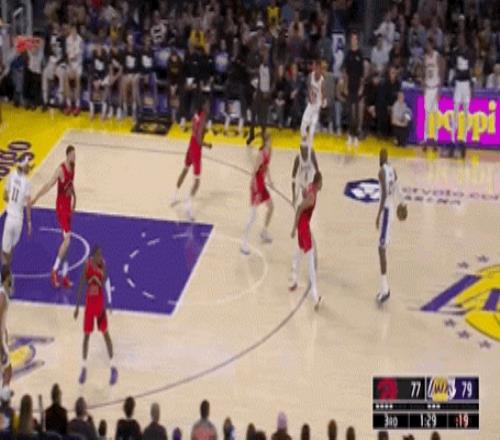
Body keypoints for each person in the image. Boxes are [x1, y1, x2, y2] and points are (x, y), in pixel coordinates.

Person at [31, 145, 76, 289]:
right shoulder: (60, 170)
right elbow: (48, 185)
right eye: (73, 155)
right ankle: (54, 270)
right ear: (67, 155)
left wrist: (74, 198)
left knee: (66, 244)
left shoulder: (73, 167)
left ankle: (65, 275)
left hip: (68, 208)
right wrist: (36, 198)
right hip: (61, 208)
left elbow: (70, 185)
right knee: (67, 240)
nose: (74, 157)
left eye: (75, 155)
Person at [74, 245, 117, 385]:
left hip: (99, 305)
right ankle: (83, 367)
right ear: (93, 256)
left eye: (101, 254)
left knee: (105, 334)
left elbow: (105, 282)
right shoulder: (87, 265)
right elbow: (81, 284)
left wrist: (109, 302)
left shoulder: (102, 265)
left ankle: (113, 367)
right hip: (89, 306)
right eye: (98, 255)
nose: (100, 257)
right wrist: (77, 307)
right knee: (86, 336)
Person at [171, 99, 212, 221]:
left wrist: (202, 131)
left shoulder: (195, 114)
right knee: (197, 181)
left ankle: (174, 196)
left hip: (190, 144)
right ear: (203, 106)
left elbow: (195, 130)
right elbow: (199, 139)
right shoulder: (203, 117)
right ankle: (188, 205)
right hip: (196, 148)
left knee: (185, 170)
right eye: (207, 104)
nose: (209, 106)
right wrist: (207, 145)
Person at [289, 171, 323, 310]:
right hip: (303, 227)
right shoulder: (312, 197)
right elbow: (299, 208)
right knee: (310, 260)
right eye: (321, 182)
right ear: (318, 182)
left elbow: (304, 191)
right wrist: (294, 227)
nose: (322, 185)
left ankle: (294, 280)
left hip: (302, 226)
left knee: (299, 252)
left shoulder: (310, 187)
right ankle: (315, 297)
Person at [241, 133, 274, 255]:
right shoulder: (260, 154)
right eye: (270, 140)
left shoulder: (270, 151)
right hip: (256, 185)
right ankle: (243, 243)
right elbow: (254, 171)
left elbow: (266, 167)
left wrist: (270, 180)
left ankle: (264, 232)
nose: (271, 142)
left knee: (271, 207)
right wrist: (254, 186)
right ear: (265, 141)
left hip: (262, 184)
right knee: (253, 216)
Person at [375, 148, 401, 304]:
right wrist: (402, 203)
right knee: (382, 248)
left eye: (380, 156)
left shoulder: (381, 172)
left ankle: (385, 289)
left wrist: (378, 215)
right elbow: (397, 186)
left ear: (381, 158)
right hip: (391, 210)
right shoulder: (393, 170)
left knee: (381, 249)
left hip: (385, 212)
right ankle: (384, 287)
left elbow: (384, 193)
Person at [1, 157, 32, 268]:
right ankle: (7, 272)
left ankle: (5, 272)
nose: (29, 167)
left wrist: (11, 202)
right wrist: (29, 223)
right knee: (11, 250)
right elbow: (28, 204)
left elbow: (4, 195)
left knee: (4, 251)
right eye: (27, 165)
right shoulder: (27, 182)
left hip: (10, 218)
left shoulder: (11, 175)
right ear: (23, 167)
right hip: (19, 220)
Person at [450, 34, 474, 158]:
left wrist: (472, 87)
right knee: (455, 112)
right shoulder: (455, 52)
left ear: (465, 40)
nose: (460, 41)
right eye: (459, 39)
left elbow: (471, 70)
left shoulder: (469, 53)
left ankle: (464, 140)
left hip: (466, 85)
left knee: (466, 113)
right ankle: (452, 139)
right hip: (458, 84)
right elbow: (454, 69)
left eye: (462, 39)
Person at [344, 32, 364, 147]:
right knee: (350, 112)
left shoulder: (360, 54)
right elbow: (346, 72)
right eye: (352, 39)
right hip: (350, 86)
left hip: (357, 86)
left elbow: (362, 74)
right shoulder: (348, 54)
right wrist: (345, 86)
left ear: (357, 41)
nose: (353, 41)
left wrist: (361, 87)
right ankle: (350, 135)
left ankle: (355, 136)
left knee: (356, 112)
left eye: (355, 39)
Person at [422, 38, 443, 151]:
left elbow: (441, 72)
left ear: (432, 45)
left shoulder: (437, 56)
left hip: (435, 88)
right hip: (428, 87)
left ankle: (435, 139)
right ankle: (425, 139)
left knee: (435, 115)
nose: (427, 46)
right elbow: (424, 72)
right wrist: (423, 86)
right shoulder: (425, 57)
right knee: (427, 115)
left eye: (429, 44)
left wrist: (439, 89)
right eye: (426, 45)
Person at [300, 59, 325, 147]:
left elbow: (323, 93)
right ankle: (304, 140)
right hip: (310, 104)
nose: (317, 70)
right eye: (316, 68)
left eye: (319, 69)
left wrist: (323, 102)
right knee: (303, 125)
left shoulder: (322, 80)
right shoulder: (310, 76)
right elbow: (308, 88)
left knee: (312, 129)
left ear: (321, 69)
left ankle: (310, 147)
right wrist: (309, 96)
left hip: (317, 106)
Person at [291, 139, 319, 207]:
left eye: (306, 149)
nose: (305, 151)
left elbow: (317, 170)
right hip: (302, 182)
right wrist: (294, 195)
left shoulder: (311, 154)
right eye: (303, 149)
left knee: (309, 201)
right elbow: (293, 177)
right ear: (300, 148)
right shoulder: (298, 158)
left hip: (311, 181)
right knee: (306, 200)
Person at [64, 24, 83, 115]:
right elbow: (68, 56)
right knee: (66, 77)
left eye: (74, 31)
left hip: (78, 64)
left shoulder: (80, 40)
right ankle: (69, 105)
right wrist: (70, 67)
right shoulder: (68, 40)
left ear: (77, 31)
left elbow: (78, 57)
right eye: (72, 31)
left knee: (77, 78)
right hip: (70, 64)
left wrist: (74, 69)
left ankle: (77, 105)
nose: (73, 32)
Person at [0, 267, 13, 401]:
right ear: (7, 277)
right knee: (8, 370)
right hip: (0, 339)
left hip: (2, 335)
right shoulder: (2, 296)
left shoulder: (4, 293)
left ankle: (3, 394)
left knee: (6, 370)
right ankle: (3, 398)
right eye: (10, 275)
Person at [89, 39, 110, 120]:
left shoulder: (105, 54)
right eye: (97, 46)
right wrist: (95, 79)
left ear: (102, 46)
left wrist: (101, 80)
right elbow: (92, 69)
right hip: (96, 76)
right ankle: (92, 111)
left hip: (104, 76)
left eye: (99, 46)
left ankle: (103, 112)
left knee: (106, 85)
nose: (98, 47)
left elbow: (107, 70)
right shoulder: (93, 54)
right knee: (90, 83)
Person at [121, 33, 140, 120]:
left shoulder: (137, 51)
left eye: (131, 39)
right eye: (129, 39)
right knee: (123, 83)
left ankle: (134, 111)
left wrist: (134, 75)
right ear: (127, 41)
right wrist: (126, 75)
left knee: (134, 82)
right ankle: (125, 109)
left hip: (135, 74)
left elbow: (139, 67)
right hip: (127, 74)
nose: (130, 41)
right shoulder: (124, 51)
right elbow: (123, 66)